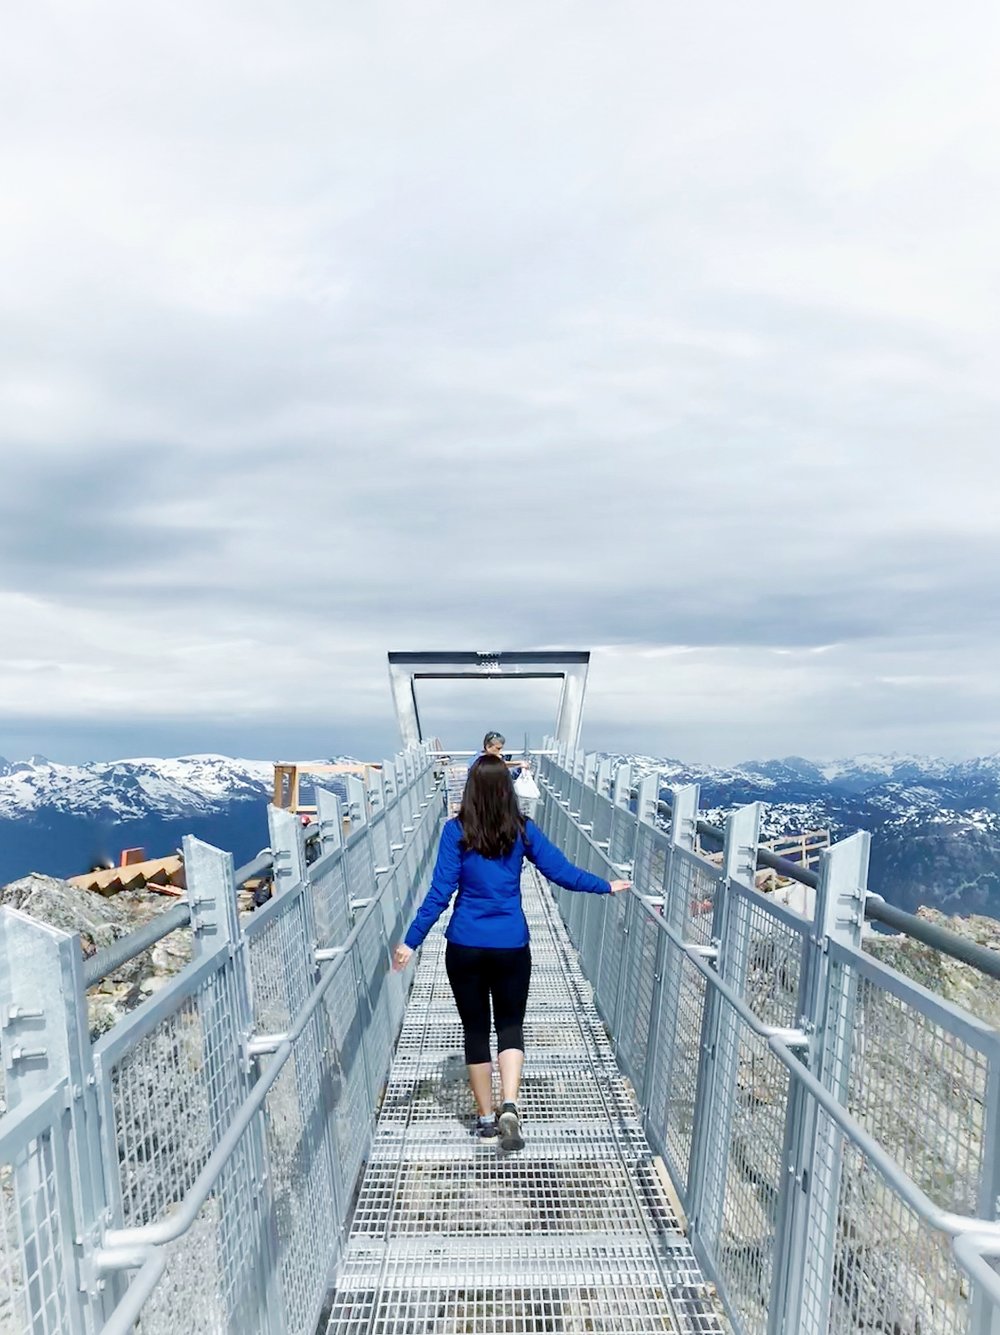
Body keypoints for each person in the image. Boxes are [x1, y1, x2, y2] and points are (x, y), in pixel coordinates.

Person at [392, 754, 630, 1150]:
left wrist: (410, 942)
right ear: (507, 790)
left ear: (469, 790)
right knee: (509, 1026)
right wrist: (604, 885)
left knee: (474, 1030)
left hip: (465, 945)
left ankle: (485, 1119)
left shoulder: (456, 832)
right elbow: (563, 873)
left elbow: (439, 894)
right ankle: (510, 1105)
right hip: (511, 945)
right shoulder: (522, 831)